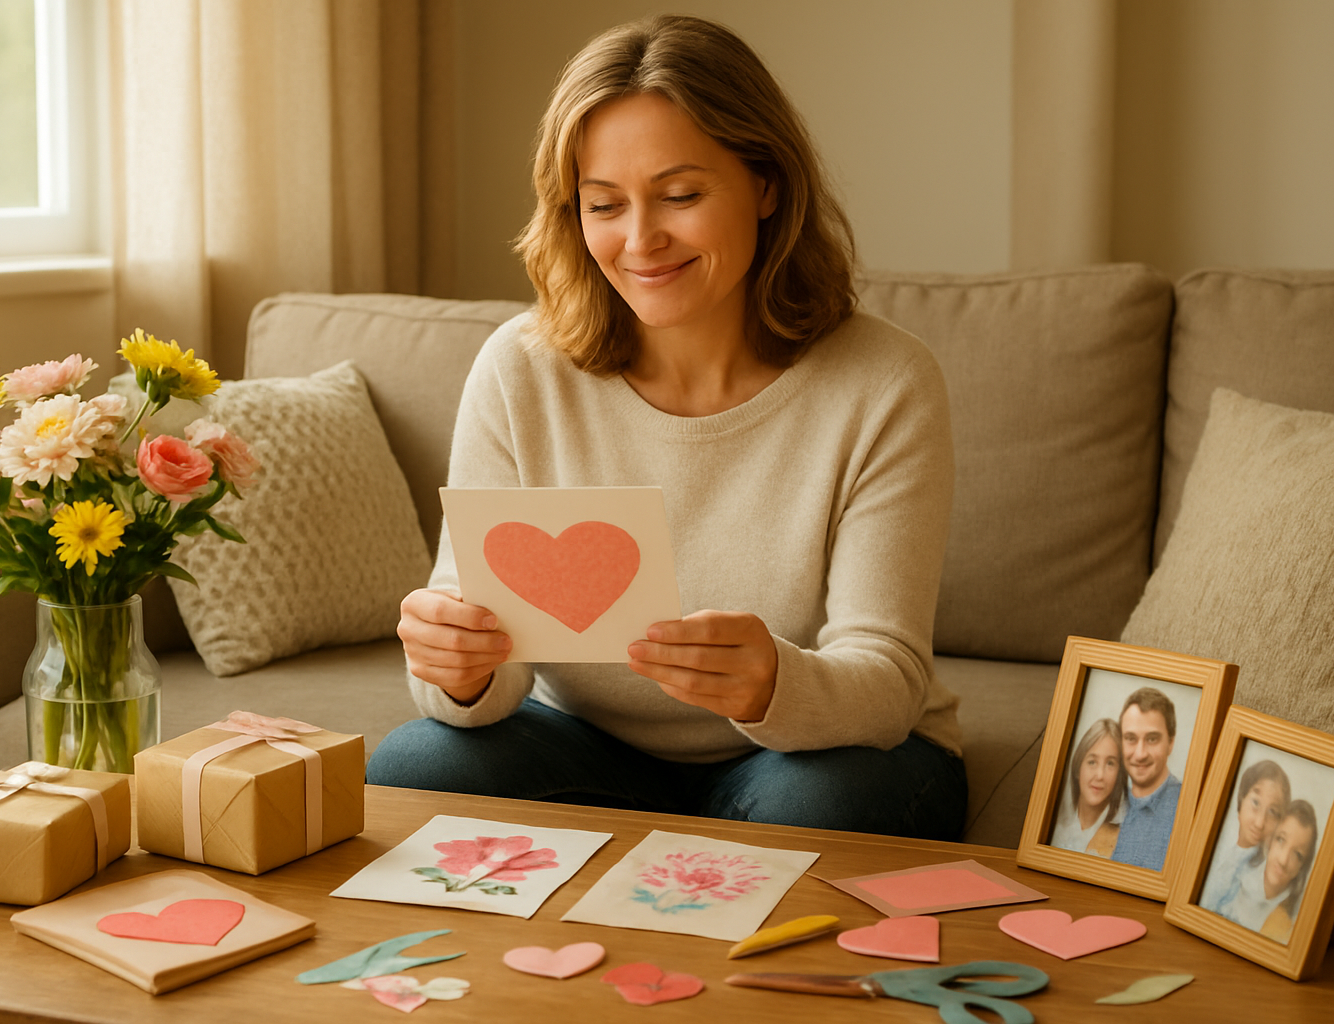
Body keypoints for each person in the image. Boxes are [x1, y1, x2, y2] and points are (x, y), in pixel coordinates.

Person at [365, 14, 965, 838]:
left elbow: (888, 679)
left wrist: (770, 685)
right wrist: (460, 669)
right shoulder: (521, 370)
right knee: (413, 767)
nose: (640, 240)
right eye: (604, 204)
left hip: (821, 757)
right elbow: (476, 669)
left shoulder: (884, 382)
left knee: (824, 807)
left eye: (681, 195)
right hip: (588, 746)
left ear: (766, 184)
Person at [1209, 800, 1318, 944]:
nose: (1283, 860)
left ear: (1302, 866)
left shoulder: (1297, 917)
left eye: (1297, 854)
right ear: (1271, 840)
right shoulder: (1236, 876)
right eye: (1281, 839)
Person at [1199, 760, 1291, 912]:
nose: (1260, 823)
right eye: (1255, 802)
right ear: (1241, 798)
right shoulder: (1214, 848)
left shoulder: (1265, 878)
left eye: (1272, 812)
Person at [1111, 687, 1181, 870]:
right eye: (1131, 738)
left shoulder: (1186, 809)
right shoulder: (1105, 800)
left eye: (1152, 739)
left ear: (1170, 743)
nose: (1140, 754)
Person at [1049, 718, 1125, 857]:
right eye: (1092, 762)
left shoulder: (1123, 839)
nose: (1100, 775)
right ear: (1078, 768)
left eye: (1110, 763)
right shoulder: (1052, 827)